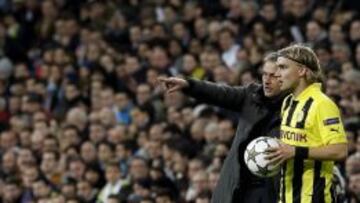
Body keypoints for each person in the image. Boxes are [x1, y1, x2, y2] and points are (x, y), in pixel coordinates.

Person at [158, 53, 287, 203]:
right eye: (265, 74)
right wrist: (189, 85)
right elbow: (220, 93)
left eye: (273, 76)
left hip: (274, 188)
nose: (267, 80)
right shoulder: (251, 95)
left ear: (285, 77)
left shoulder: (297, 107)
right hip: (240, 185)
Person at [266, 44, 348, 203]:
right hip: (286, 197)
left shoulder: (322, 104)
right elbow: (292, 145)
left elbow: (340, 150)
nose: (277, 74)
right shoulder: (288, 102)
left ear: (302, 71)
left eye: (283, 67)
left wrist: (295, 151)